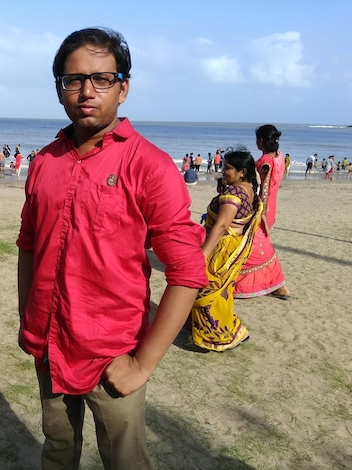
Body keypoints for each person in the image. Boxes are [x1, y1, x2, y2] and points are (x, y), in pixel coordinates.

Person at [16, 27, 207, 469]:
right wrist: (28, 316)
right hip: (49, 341)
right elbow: (29, 245)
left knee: (124, 459)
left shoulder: (151, 166)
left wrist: (141, 364)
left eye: (102, 79)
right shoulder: (44, 161)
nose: (87, 91)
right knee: (58, 447)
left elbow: (187, 273)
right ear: (59, 90)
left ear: (123, 88)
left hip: (113, 352)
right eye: (73, 79)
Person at [190, 148, 262, 351]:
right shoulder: (248, 188)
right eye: (224, 166)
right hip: (232, 248)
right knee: (222, 291)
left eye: (228, 168)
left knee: (206, 290)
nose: (224, 171)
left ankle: (216, 337)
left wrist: (203, 254)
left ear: (242, 172)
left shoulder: (235, 192)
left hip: (221, 250)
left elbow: (222, 226)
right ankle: (230, 329)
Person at [234, 124, 290, 300]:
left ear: (262, 140)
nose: (256, 142)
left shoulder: (265, 162)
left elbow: (264, 189)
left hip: (263, 207)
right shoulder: (279, 157)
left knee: (256, 244)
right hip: (272, 206)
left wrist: (259, 209)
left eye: (257, 139)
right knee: (259, 243)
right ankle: (275, 284)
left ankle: (275, 283)